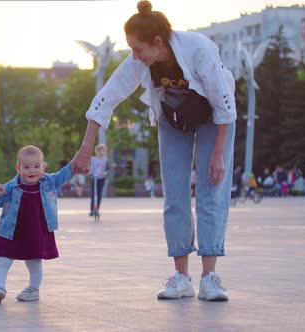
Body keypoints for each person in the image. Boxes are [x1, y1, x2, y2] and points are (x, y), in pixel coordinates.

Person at [72, 1, 236, 301]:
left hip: (214, 118)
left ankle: (210, 278)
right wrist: (85, 149)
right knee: (174, 194)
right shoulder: (140, 61)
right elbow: (106, 98)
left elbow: (225, 105)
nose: (135, 56)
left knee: (211, 191)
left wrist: (218, 155)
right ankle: (181, 277)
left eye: (138, 49)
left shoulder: (199, 49)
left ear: (157, 42)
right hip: (174, 117)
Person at [0, 146, 74, 303]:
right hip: (11, 231)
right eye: (26, 167)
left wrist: (77, 162)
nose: (31, 170)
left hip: (36, 231)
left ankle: (33, 289)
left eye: (36, 166)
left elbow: (65, 173)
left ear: (43, 167)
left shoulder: (49, 182)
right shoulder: (11, 187)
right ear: (18, 168)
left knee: (34, 261)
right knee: (3, 259)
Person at [89, 144, 108, 216]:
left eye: (103, 151)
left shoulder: (105, 160)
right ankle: (92, 209)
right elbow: (91, 167)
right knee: (94, 193)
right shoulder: (93, 159)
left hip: (101, 178)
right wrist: (90, 173)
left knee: (99, 194)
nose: (102, 152)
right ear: (97, 151)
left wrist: (105, 173)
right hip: (94, 177)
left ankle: (97, 209)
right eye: (100, 150)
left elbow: (107, 169)